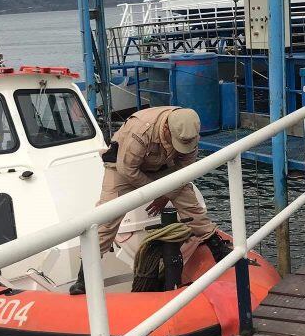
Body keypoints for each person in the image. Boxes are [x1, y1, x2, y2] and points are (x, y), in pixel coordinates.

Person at [70, 105, 232, 295]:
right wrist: (157, 191)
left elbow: (185, 170)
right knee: (107, 217)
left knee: (191, 205)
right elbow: (128, 170)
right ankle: (84, 278)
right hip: (122, 169)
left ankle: (218, 249)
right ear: (166, 129)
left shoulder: (188, 133)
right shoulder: (140, 132)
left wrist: (166, 194)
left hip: (164, 168)